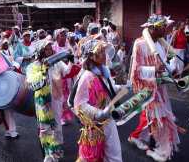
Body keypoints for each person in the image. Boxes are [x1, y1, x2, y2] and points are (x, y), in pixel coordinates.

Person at [128, 14, 179, 162]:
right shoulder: (140, 43)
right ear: (153, 29)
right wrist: (154, 70)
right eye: (163, 27)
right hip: (147, 90)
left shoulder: (160, 43)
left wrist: (172, 68)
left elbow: (164, 66)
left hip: (160, 88)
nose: (166, 30)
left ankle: (143, 140)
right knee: (157, 119)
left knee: (155, 118)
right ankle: (157, 149)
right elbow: (134, 73)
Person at [74, 39, 122, 162]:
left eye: (104, 51)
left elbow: (108, 89)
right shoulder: (87, 77)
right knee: (91, 158)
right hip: (94, 125)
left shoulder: (104, 71)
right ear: (91, 56)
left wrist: (122, 88)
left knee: (114, 155)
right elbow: (80, 104)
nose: (105, 55)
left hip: (108, 120)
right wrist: (98, 113)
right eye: (100, 52)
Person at [26, 40, 68, 162]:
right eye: (47, 49)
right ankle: (48, 154)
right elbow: (31, 83)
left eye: (51, 49)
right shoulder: (34, 66)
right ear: (41, 51)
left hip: (56, 99)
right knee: (45, 128)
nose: (50, 51)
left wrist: (70, 59)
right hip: (43, 102)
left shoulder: (57, 62)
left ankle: (57, 152)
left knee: (57, 126)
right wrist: (43, 71)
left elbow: (67, 71)